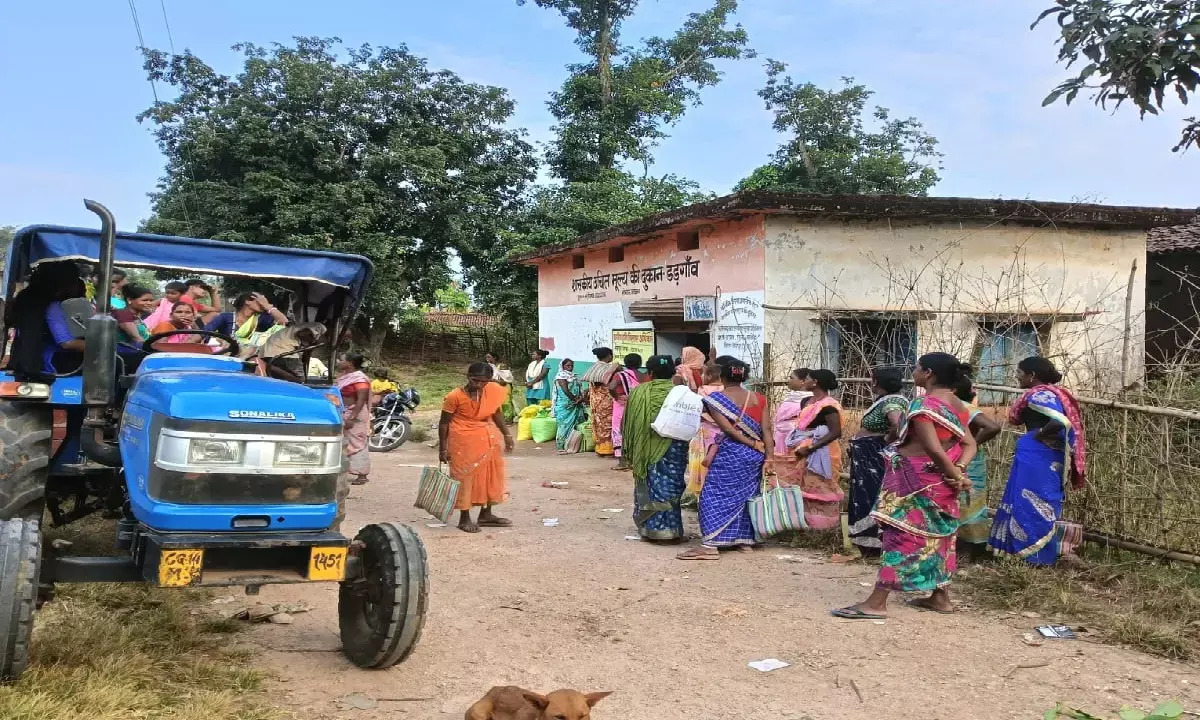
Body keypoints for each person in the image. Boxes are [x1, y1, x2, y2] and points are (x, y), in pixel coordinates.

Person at [833, 353, 976, 619]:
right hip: (941, 482)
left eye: (917, 368)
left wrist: (954, 474)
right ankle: (940, 597)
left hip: (913, 480)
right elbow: (969, 444)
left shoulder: (923, 404)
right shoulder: (958, 405)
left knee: (901, 536)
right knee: (940, 537)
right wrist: (959, 471)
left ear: (929, 373)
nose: (913, 372)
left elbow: (932, 448)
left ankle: (877, 602)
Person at [989, 356, 1086, 565]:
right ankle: (1029, 553)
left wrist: (1039, 433)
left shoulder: (1040, 395)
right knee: (1041, 499)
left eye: (1020, 372)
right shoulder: (1054, 394)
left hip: (1038, 453)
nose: (1017, 376)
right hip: (1048, 453)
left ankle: (1031, 555)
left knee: (1030, 500)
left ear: (1032, 376)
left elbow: (1059, 421)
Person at [678, 357, 772, 560]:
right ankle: (744, 540)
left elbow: (729, 430)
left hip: (731, 453)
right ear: (744, 377)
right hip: (755, 457)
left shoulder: (715, 400)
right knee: (747, 496)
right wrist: (768, 456)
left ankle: (711, 544)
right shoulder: (759, 398)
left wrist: (751, 443)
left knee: (713, 495)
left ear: (722, 377)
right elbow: (766, 429)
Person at [439, 363, 515, 533]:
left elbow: (496, 413)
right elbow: (444, 424)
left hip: (487, 438)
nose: (478, 385)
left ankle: (486, 514)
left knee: (490, 475)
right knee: (464, 477)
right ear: (468, 376)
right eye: (475, 380)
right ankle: (464, 518)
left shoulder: (491, 392)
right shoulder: (454, 396)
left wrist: (507, 435)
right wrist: (443, 449)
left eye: (483, 382)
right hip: (462, 441)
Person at [624, 355, 692, 542]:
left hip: (645, 449)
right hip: (673, 448)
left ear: (650, 373)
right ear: (672, 372)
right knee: (671, 485)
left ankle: (649, 529)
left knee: (649, 484)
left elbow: (628, 422)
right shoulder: (681, 393)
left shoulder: (638, 392)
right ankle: (671, 531)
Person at [772, 369, 844, 530]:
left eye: (809, 378)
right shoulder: (806, 402)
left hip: (822, 452)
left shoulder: (829, 405)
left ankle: (823, 528)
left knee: (821, 488)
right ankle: (801, 525)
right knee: (801, 488)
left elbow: (835, 432)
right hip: (800, 450)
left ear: (816, 382)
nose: (806, 381)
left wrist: (811, 447)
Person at [848, 368, 909, 553]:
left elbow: (897, 424)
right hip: (867, 458)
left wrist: (886, 440)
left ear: (876, 382)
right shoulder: (887, 400)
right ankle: (868, 542)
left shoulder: (893, 402)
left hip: (874, 459)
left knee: (872, 495)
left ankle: (874, 543)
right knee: (866, 495)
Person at [7, 261, 88, 379]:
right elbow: (67, 343)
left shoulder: (27, 299)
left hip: (25, 357)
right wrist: (100, 347)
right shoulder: (52, 306)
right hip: (53, 360)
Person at [953, 378, 1001, 554]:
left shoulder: (964, 407)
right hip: (962, 458)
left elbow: (992, 427)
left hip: (968, 460)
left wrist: (971, 444)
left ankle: (973, 547)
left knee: (970, 501)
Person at [684, 363, 725, 497]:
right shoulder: (727, 390)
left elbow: (698, 408)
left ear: (709, 375)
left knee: (701, 461)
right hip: (723, 431)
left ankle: (701, 492)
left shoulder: (703, 390)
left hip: (705, 431)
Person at [205, 291, 289, 356]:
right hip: (228, 357)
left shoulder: (262, 319)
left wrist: (267, 306)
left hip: (253, 359)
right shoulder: (225, 317)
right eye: (260, 301)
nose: (263, 303)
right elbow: (205, 333)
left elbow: (284, 322)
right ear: (248, 301)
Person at [336, 352, 372, 485]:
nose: (338, 362)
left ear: (350, 363)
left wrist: (352, 417)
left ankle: (362, 474)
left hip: (354, 413)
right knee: (346, 441)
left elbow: (361, 401)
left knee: (357, 443)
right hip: (345, 411)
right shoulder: (345, 376)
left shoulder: (360, 379)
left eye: (341, 359)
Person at [581, 347, 619, 456]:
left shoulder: (594, 368)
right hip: (607, 402)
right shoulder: (610, 368)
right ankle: (609, 450)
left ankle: (600, 449)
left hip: (595, 403)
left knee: (598, 424)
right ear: (609, 356)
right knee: (608, 425)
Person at [609, 353, 642, 470]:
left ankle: (623, 462)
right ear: (640, 363)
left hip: (621, 406)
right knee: (634, 431)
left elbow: (611, 387)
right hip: (637, 406)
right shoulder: (643, 376)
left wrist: (616, 397)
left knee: (619, 431)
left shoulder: (620, 375)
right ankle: (635, 461)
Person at [259, 322, 327, 379]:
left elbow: (305, 358)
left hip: (268, 354)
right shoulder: (319, 327)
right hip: (281, 352)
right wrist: (310, 342)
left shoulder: (298, 328)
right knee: (300, 380)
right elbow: (302, 334)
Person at [551, 358, 586, 453]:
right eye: (567, 366)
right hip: (565, 404)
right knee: (564, 425)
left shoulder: (574, 376)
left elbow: (578, 389)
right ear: (562, 366)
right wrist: (575, 399)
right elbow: (565, 390)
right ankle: (561, 446)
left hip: (575, 404)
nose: (570, 368)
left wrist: (580, 399)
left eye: (571, 366)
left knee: (576, 424)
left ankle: (572, 445)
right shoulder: (561, 376)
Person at [485, 352, 516, 423]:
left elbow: (505, 379)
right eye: (486, 357)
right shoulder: (488, 366)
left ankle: (508, 419)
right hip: (493, 386)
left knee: (505, 403)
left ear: (494, 357)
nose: (487, 358)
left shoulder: (502, 366)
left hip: (504, 386)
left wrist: (495, 380)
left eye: (489, 357)